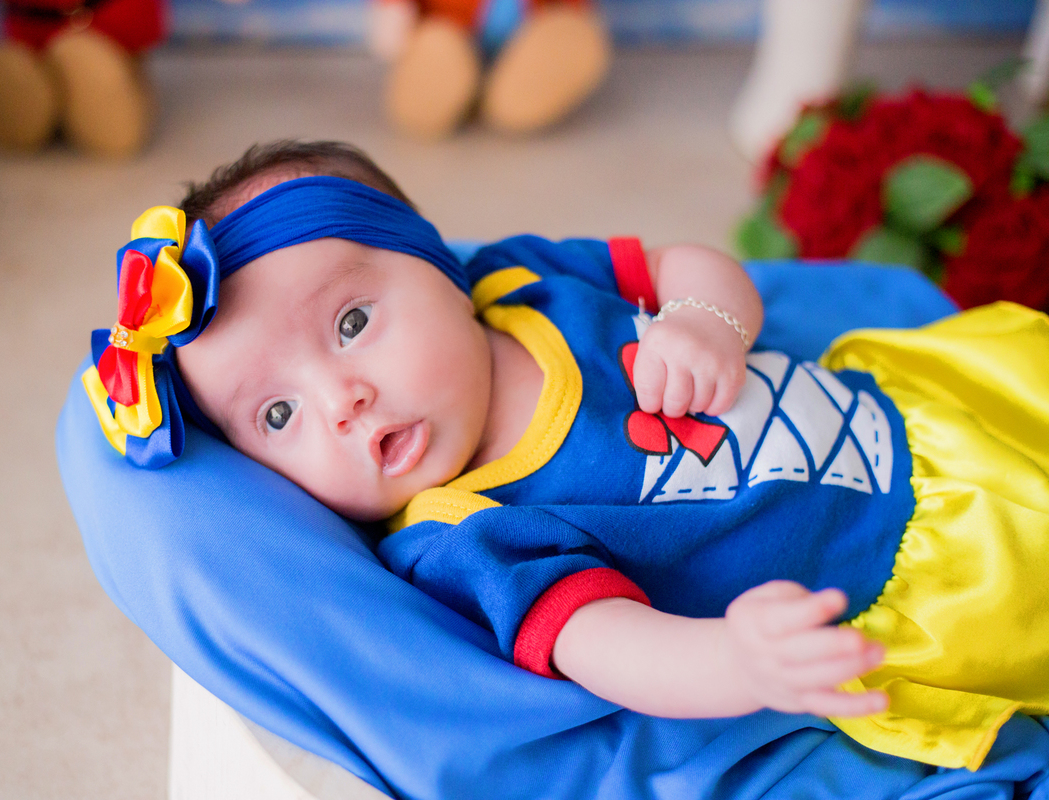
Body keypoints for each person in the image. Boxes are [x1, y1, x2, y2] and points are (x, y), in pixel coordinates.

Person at [81, 139, 1049, 772]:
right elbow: (615, 648)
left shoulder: (522, 279)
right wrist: (744, 660)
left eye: (352, 321)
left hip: (926, 413)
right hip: (931, 576)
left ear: (436, 264)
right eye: (278, 413)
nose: (343, 400)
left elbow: (689, 267)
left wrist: (707, 324)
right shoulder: (464, 533)